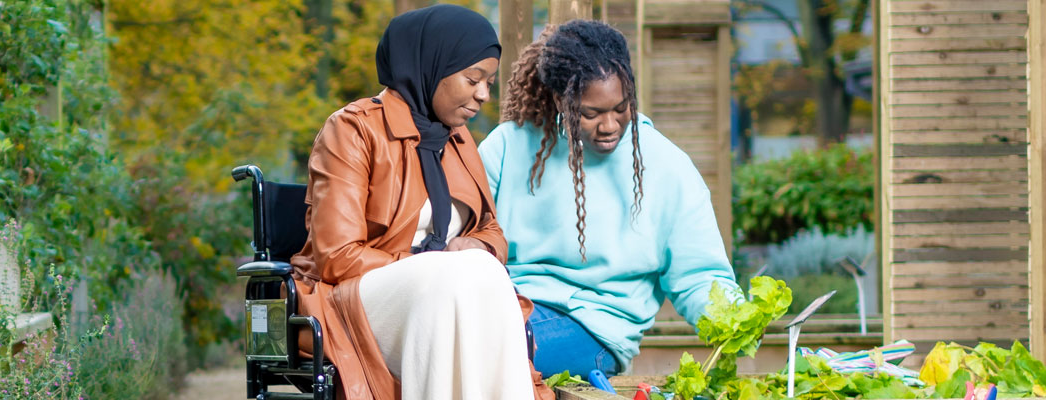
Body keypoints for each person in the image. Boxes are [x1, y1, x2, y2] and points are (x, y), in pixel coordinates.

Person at [290, 5, 549, 400]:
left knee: (482, 270)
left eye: (489, 82)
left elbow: (492, 231)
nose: (483, 94)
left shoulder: (459, 140)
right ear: (432, 67)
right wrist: (435, 264)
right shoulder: (352, 129)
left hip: (442, 294)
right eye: (472, 79)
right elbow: (336, 257)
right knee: (451, 279)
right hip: (351, 302)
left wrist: (476, 246)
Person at [478, 20, 741, 378]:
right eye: (591, 113)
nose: (610, 125)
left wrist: (736, 319)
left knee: (492, 350)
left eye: (621, 108)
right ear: (561, 99)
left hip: (594, 329)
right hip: (506, 306)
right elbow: (468, 235)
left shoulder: (667, 166)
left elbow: (699, 275)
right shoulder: (507, 146)